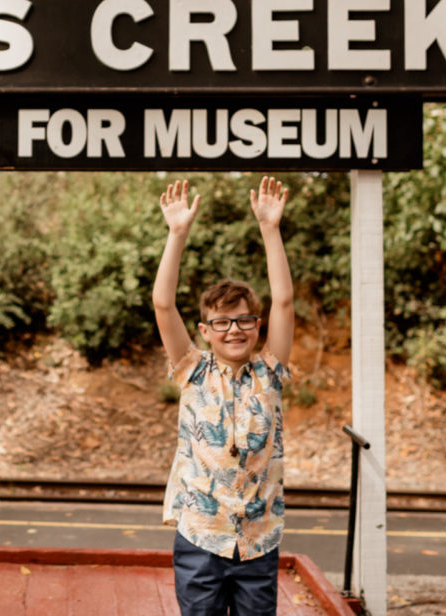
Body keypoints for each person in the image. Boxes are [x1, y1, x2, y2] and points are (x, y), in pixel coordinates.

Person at [153, 176, 295, 616]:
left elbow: (285, 301)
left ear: (257, 326)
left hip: (257, 541)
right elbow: (163, 304)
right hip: (200, 538)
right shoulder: (191, 370)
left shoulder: (270, 371)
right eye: (222, 322)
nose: (234, 329)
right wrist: (177, 234)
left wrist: (270, 229)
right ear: (205, 332)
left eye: (244, 320)